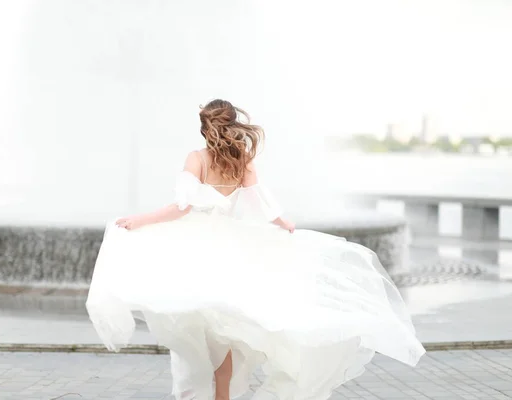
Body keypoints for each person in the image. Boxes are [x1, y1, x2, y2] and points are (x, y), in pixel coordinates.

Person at [86, 99, 425, 400]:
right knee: (226, 329)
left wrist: (140, 220)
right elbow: (263, 206)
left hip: (198, 248)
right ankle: (220, 394)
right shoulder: (243, 160)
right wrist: (284, 224)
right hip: (233, 249)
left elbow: (182, 208)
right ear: (233, 125)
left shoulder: (197, 159)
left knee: (200, 323)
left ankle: (199, 391)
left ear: (204, 128)